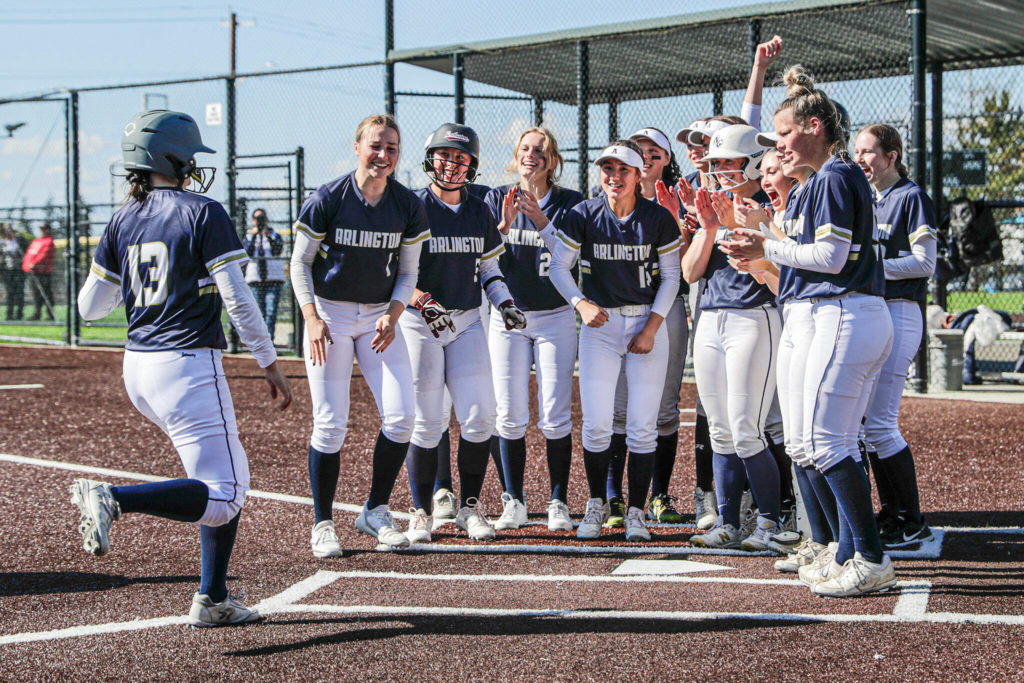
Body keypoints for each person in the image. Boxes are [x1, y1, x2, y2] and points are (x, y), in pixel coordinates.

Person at [71, 109, 292, 627]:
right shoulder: (202, 210)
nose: (194, 165)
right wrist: (269, 361)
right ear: (171, 155)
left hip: (138, 368)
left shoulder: (123, 217)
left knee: (213, 476)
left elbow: (89, 308)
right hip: (186, 363)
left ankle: (213, 598)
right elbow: (239, 301)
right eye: (189, 155)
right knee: (228, 493)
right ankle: (113, 498)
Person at [722, 66, 896, 597]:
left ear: (815, 127)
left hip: (844, 312)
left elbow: (830, 255)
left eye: (785, 133)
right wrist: (760, 238)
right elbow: (803, 257)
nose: (777, 146)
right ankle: (842, 548)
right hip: (828, 312)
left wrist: (763, 246)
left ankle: (870, 555)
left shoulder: (836, 176)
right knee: (810, 440)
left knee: (825, 440)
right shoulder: (820, 181)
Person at [292, 114, 426, 556]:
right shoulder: (327, 198)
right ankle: (323, 522)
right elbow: (299, 264)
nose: (383, 155)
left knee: (403, 415)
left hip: (377, 320)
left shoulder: (407, 205)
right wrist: (311, 318)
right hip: (328, 315)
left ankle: (374, 509)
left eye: (391, 148)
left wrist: (394, 311)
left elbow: (409, 271)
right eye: (375, 146)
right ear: (356, 147)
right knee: (330, 423)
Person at [549, 140, 682, 542]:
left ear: (640, 173)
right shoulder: (583, 214)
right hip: (600, 327)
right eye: (607, 168)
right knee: (597, 424)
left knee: (643, 425)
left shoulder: (658, 218)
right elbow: (558, 266)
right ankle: (596, 503)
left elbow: (672, 277)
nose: (614, 176)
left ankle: (638, 512)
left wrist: (652, 328)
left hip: (644, 322)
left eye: (623, 169)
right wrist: (580, 303)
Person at [400, 123, 526, 543]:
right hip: (420, 322)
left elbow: (489, 268)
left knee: (479, 416)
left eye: (461, 158)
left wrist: (505, 302)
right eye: (445, 155)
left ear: (471, 165)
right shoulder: (411, 207)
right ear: (429, 157)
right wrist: (423, 302)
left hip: (468, 319)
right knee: (428, 419)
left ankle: (469, 507)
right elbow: (397, 275)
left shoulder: (479, 210)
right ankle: (421, 510)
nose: (452, 165)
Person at [682, 125, 783, 552]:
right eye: (715, 163)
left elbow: (785, 278)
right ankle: (728, 521)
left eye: (729, 161)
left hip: (754, 319)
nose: (721, 170)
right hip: (710, 320)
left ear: (753, 162)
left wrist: (756, 247)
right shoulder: (714, 203)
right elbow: (689, 273)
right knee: (720, 431)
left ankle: (772, 522)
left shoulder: (769, 206)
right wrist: (708, 228)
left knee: (747, 430)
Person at [484, 127, 582, 532]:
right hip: (508, 317)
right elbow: (482, 254)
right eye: (525, 149)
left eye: (540, 150)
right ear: (515, 155)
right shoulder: (495, 197)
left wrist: (541, 221)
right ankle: (514, 499)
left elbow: (569, 262)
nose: (532, 155)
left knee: (555, 415)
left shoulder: (570, 204)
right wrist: (504, 227)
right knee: (509, 413)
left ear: (553, 160)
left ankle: (558, 499)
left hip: (555, 315)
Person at [602, 126, 690, 527]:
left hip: (665, 305)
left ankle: (659, 495)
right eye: (640, 150)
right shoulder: (607, 199)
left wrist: (679, 223)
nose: (647, 156)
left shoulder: (684, 200)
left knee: (665, 407)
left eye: (655, 151)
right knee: (618, 406)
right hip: (620, 307)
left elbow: (686, 269)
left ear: (666, 159)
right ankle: (613, 497)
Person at [854, 123, 937, 549]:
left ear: (892, 155)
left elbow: (925, 263)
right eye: (857, 151)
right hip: (873, 312)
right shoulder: (865, 199)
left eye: (869, 151)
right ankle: (891, 514)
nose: (861, 159)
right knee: (867, 426)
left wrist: (869, 268)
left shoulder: (911, 197)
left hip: (901, 312)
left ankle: (910, 519)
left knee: (881, 424)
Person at [244, 207, 286, 335]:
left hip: (273, 279)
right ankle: (261, 343)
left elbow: (277, 250)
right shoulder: (249, 236)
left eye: (262, 218)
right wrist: (254, 235)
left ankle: (270, 341)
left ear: (266, 220)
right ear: (253, 221)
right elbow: (247, 253)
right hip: (256, 280)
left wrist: (267, 235)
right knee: (258, 313)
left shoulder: (274, 235)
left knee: (271, 312)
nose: (260, 221)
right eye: (257, 218)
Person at [23, 223, 55, 321]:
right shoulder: (36, 241)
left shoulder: (49, 241)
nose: (41, 231)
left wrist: (34, 264)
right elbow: (29, 254)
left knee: (46, 293)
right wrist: (26, 265)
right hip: (33, 272)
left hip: (43, 272)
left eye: (43, 229)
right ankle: (37, 313)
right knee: (35, 293)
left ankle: (50, 314)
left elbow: (44, 255)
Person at [2, 224, 26, 320]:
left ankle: (19, 314)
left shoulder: (20, 240)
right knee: (9, 293)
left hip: (19, 270)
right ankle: (9, 314)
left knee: (19, 292)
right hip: (7, 271)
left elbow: (26, 252)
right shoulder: (3, 242)